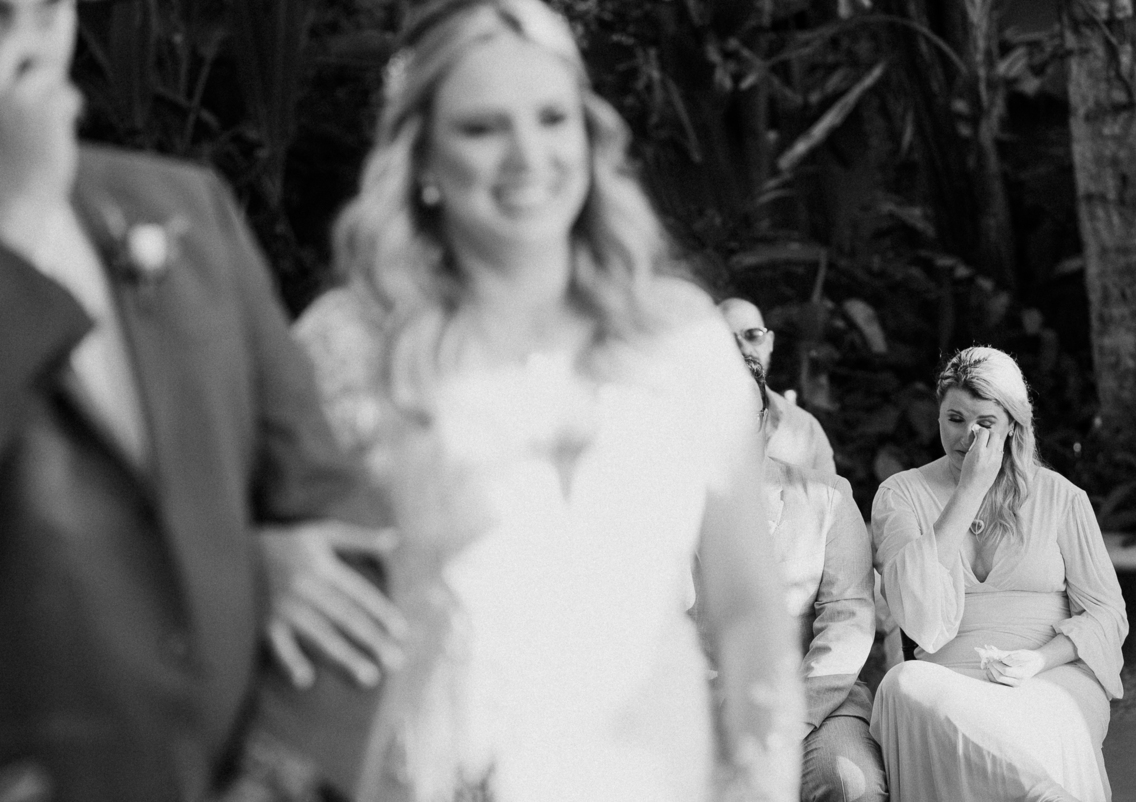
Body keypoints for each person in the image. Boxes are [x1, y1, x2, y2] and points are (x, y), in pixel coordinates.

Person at [292, 1, 803, 799]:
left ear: (588, 135)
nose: (528, 155)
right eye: (481, 128)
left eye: (552, 117)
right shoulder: (351, 345)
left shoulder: (678, 339)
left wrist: (758, 778)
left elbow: (746, 607)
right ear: (421, 154)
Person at [0, 1, 406, 799]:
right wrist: (13, 233)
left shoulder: (184, 209)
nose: (30, 39)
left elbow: (335, 519)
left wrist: (278, 779)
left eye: (44, 9)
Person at [870, 346, 1128, 801]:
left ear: (1012, 424)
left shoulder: (1061, 497)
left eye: (985, 422)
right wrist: (969, 490)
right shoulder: (901, 494)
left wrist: (1040, 659)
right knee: (900, 684)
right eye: (954, 418)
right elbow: (915, 616)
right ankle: (1042, 794)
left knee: (1033, 719)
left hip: (1049, 674)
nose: (967, 437)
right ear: (938, 415)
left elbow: (1108, 614)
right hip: (950, 682)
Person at [738, 357, 886, 802]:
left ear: (765, 421)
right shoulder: (656, 503)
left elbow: (847, 621)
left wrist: (785, 722)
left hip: (815, 698)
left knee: (849, 782)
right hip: (698, 701)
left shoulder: (828, 497)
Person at [719, 297, 836, 474]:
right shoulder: (684, 418)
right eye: (728, 338)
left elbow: (828, 492)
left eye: (753, 335)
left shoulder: (808, 431)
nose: (744, 348)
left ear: (769, 342)